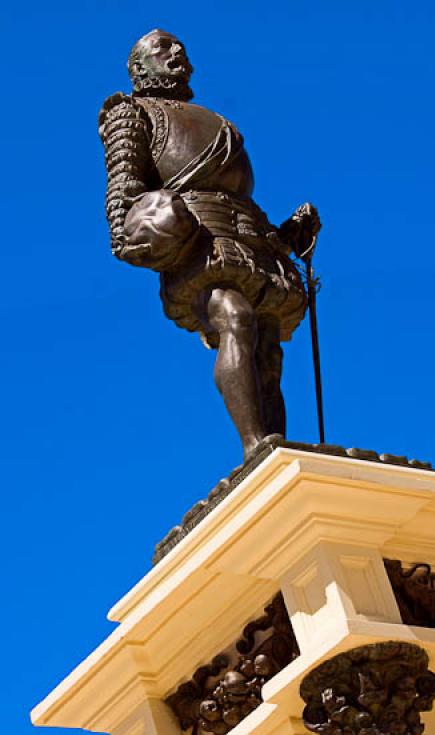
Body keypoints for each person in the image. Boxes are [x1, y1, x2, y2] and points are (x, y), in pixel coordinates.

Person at [99, 29, 321, 459]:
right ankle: (254, 444)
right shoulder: (130, 112)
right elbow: (123, 193)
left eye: (178, 45)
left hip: (251, 233)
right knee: (232, 314)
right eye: (161, 47)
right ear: (138, 66)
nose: (176, 51)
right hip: (193, 236)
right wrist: (144, 235)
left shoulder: (220, 122)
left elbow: (237, 194)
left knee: (269, 350)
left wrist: (289, 233)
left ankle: (279, 447)